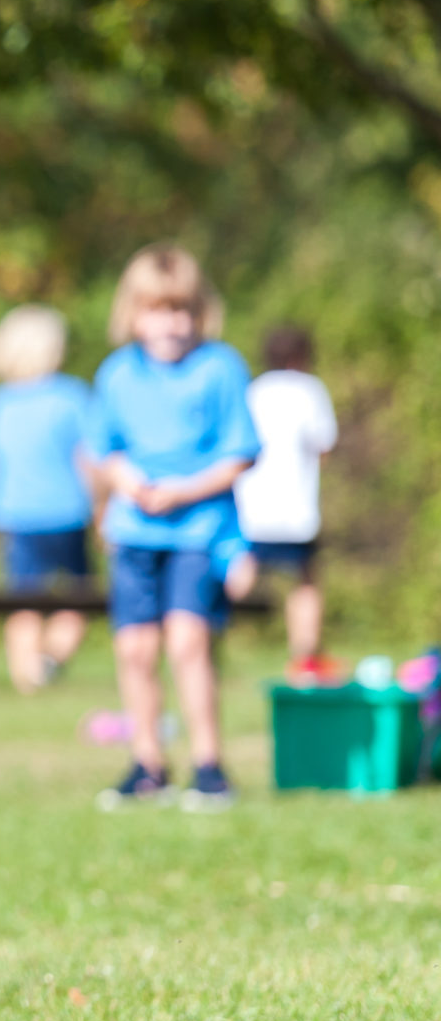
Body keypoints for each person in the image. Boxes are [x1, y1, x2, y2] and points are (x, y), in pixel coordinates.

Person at [87, 245, 259, 812]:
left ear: (201, 311)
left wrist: (183, 492)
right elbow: (103, 450)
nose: (173, 324)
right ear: (133, 313)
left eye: (183, 310)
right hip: (135, 533)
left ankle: (209, 766)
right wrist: (128, 483)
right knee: (136, 650)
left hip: (198, 531)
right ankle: (148, 765)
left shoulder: (220, 367)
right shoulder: (117, 374)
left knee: (189, 642)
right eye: (159, 310)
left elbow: (240, 454)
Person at [0, 305, 97, 693]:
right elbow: (91, 459)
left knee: (22, 601)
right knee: (82, 599)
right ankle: (50, 659)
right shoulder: (73, 396)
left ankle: (27, 678)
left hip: (14, 514)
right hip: (67, 512)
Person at [233, 325, 338, 682]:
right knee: (305, 581)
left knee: (241, 571)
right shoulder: (309, 390)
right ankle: (305, 657)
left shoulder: (253, 390)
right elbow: (324, 446)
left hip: (252, 505)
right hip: (295, 507)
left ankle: (211, 632)